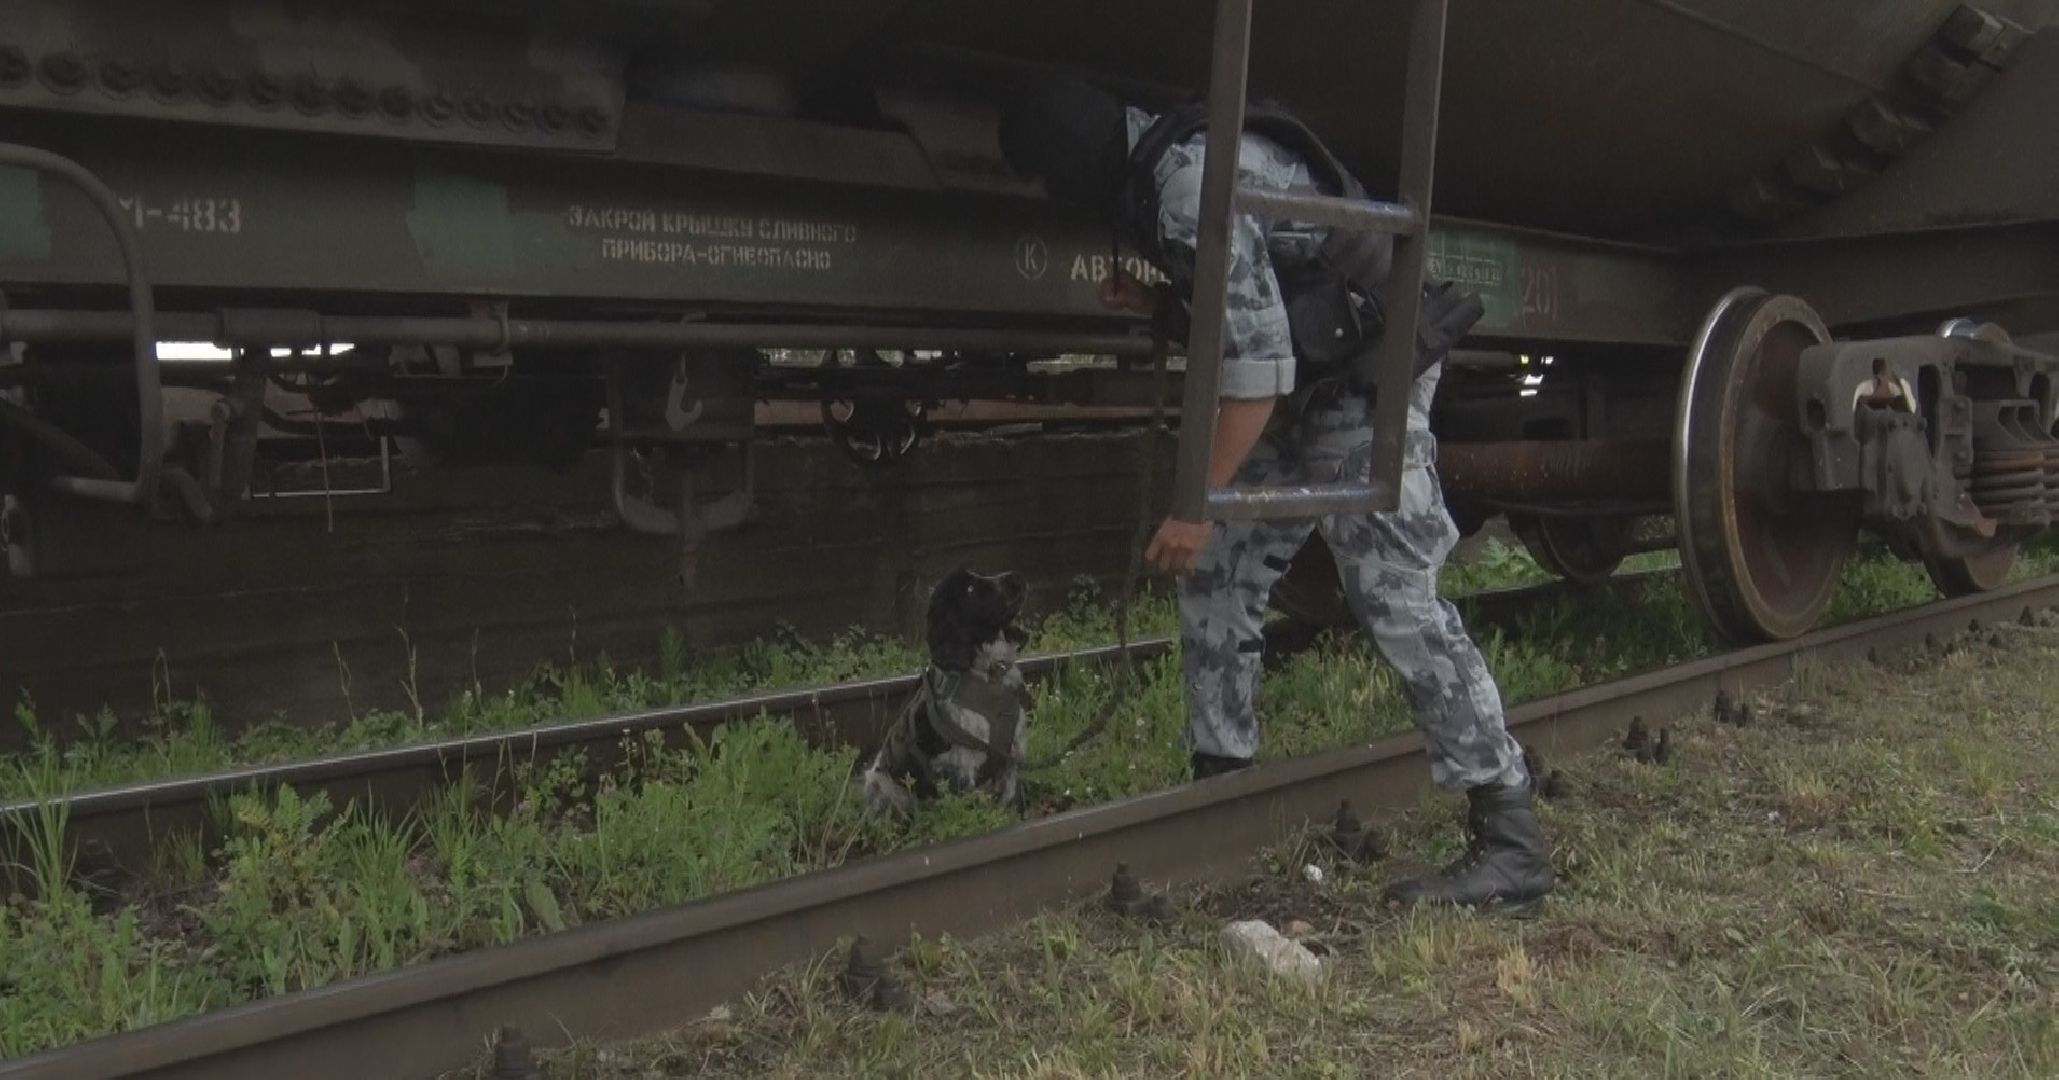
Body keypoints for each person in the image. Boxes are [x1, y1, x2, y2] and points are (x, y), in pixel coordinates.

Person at [998, 75, 1552, 914]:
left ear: (1066, 159)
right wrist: (1159, 303)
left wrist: (1195, 502)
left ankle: (1510, 837)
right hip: (1318, 375)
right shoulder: (1161, 164)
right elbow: (1262, 303)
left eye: (1042, 177)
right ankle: (1221, 788)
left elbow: (1256, 376)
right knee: (1216, 568)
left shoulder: (1185, 184)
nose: (1047, 195)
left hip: (1370, 372)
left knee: (1391, 592)